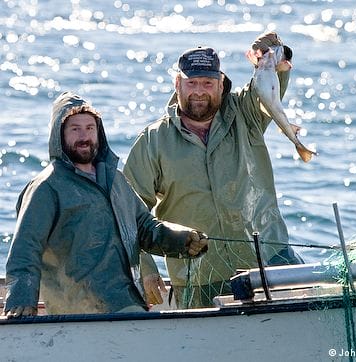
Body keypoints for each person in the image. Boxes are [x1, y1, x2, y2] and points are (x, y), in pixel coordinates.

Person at [123, 32, 303, 309]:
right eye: (191, 82)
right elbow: (128, 213)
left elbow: (273, 78)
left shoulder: (247, 113)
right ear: (177, 84)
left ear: (221, 85)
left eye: (207, 83)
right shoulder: (152, 141)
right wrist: (145, 268)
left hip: (270, 259)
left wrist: (274, 51)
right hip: (197, 278)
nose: (199, 91)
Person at [2, 91, 208, 318]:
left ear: (99, 132)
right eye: (75, 129)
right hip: (79, 310)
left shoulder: (115, 180)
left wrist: (183, 239)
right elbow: (25, 248)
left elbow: (146, 228)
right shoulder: (46, 187)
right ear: (59, 135)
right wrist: (20, 298)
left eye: (90, 128)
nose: (84, 136)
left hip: (127, 301)